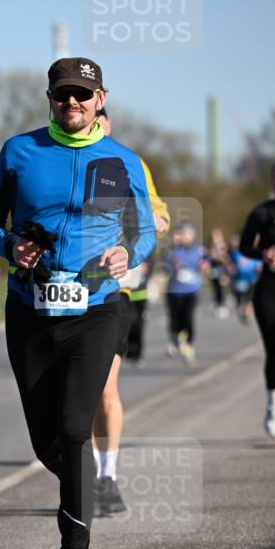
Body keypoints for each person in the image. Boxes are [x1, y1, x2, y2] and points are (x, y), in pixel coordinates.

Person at [0, 58, 155, 549]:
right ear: (49, 99)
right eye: (61, 96)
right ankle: (77, 486)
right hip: (30, 311)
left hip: (97, 309)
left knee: (77, 427)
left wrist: (130, 252)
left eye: (82, 95)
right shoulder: (19, 151)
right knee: (47, 440)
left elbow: (144, 228)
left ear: (101, 99)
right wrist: (11, 245)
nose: (71, 103)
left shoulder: (123, 161)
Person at [91, 107, 169, 516]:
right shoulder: (56, 161)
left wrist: (157, 220)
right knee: (72, 394)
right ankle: (79, 473)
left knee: (104, 387)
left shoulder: (128, 162)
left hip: (114, 292)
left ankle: (107, 476)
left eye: (101, 122)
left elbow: (159, 214)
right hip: (62, 295)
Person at [239, 162, 275, 437]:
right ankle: (273, 404)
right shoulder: (262, 212)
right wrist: (263, 254)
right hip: (269, 289)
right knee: (274, 348)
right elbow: (244, 247)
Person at [164, 223, 205, 365]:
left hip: (191, 290)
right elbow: (164, 267)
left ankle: (189, 347)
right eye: (183, 234)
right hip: (174, 290)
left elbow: (205, 263)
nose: (185, 237)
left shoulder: (198, 250)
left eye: (188, 234)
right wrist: (171, 264)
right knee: (175, 320)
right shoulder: (172, 250)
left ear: (192, 236)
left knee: (189, 317)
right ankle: (177, 338)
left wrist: (204, 267)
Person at [227, 234, 261, 324]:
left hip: (251, 280)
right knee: (240, 300)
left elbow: (259, 265)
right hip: (238, 280)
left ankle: (246, 312)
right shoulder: (235, 254)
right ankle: (242, 310)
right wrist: (230, 269)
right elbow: (230, 264)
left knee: (248, 299)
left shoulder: (254, 253)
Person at [206, 228, 230, 318]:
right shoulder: (210, 245)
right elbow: (207, 258)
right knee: (215, 287)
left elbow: (225, 258)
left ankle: (222, 305)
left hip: (221, 267)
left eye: (216, 235)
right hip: (213, 268)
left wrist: (226, 271)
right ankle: (218, 304)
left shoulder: (222, 245)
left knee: (221, 287)